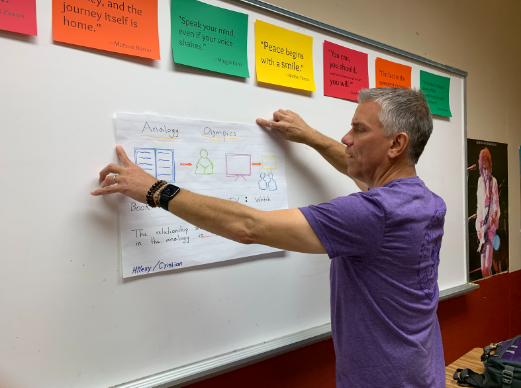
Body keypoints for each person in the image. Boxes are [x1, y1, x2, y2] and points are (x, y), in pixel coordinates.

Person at [91, 87, 446, 388]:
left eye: (359, 129)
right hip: (422, 370)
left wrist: (154, 190)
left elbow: (249, 226)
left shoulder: (373, 214)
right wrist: (310, 136)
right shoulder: (423, 201)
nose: (346, 138)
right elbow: (365, 170)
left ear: (397, 144)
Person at [475, 147, 500, 277]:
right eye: (483, 169)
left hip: (490, 229)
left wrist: (491, 222)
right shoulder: (479, 182)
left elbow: (495, 206)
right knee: (483, 269)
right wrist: (479, 228)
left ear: (490, 166)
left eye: (487, 168)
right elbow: (479, 207)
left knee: (487, 266)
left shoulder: (493, 182)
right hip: (482, 229)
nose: (485, 172)